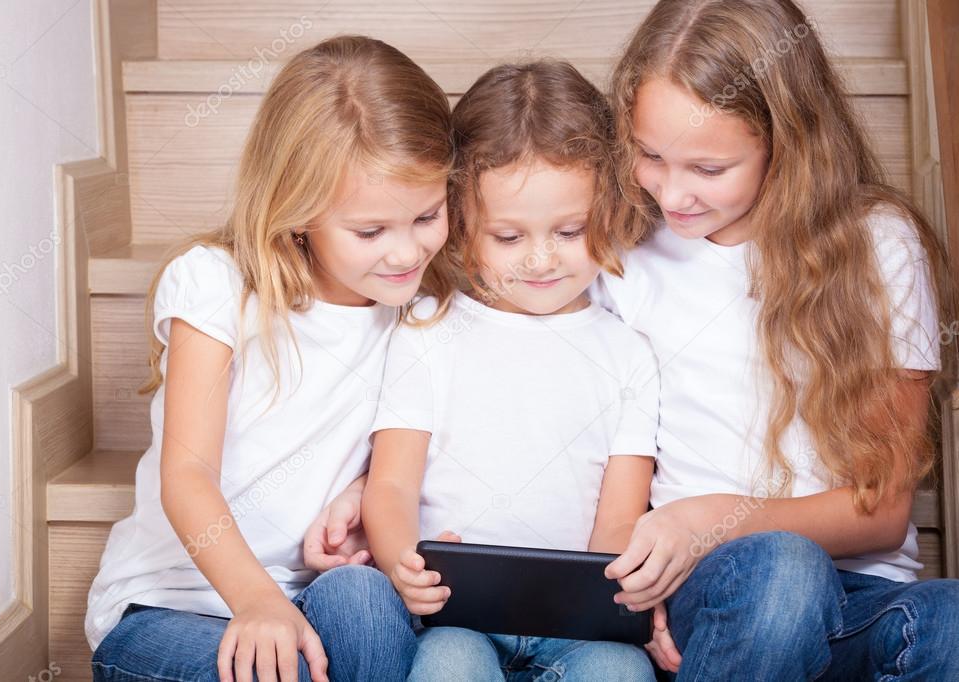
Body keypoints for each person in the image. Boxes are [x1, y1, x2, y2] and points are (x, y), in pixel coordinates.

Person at [592, 0, 959, 677]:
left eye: (707, 169)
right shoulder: (626, 256)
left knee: (951, 622)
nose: (671, 195)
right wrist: (640, 584)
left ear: (785, 143)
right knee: (782, 572)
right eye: (649, 156)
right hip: (717, 590)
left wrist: (712, 513)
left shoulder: (877, 245)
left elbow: (878, 511)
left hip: (863, 596)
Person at [85, 35, 455, 682]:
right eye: (370, 231)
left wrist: (365, 491)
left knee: (365, 603)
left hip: (311, 597)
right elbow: (187, 477)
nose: (404, 254)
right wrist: (255, 601)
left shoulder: (417, 313)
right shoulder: (215, 286)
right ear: (298, 213)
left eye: (427, 215)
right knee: (267, 671)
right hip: (170, 607)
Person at [363, 60, 658, 682]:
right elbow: (389, 486)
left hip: (579, 628)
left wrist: (610, 594)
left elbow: (621, 516)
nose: (542, 259)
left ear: (607, 207)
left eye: (570, 229)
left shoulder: (627, 352)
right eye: (508, 237)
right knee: (446, 666)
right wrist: (400, 562)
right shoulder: (427, 331)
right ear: (462, 227)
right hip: (461, 617)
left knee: (621, 673)